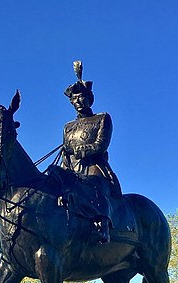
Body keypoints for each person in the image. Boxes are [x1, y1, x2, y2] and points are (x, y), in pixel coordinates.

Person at [60, 61, 122, 243]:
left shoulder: (102, 118)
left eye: (82, 97)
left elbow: (100, 145)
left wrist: (79, 150)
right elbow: (65, 150)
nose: (78, 101)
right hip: (73, 170)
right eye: (74, 99)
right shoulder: (68, 127)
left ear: (89, 99)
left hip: (95, 167)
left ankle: (104, 226)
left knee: (96, 186)